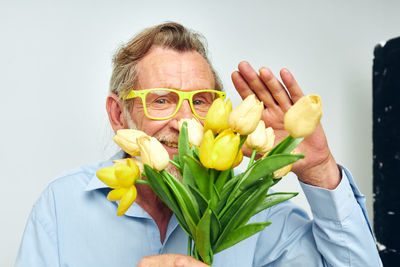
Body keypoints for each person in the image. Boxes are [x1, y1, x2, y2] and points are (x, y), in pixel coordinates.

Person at [15, 22, 382, 267]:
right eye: (161, 100)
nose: (186, 123)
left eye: (202, 101)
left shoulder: (256, 210)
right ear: (118, 114)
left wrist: (320, 170)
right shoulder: (61, 207)